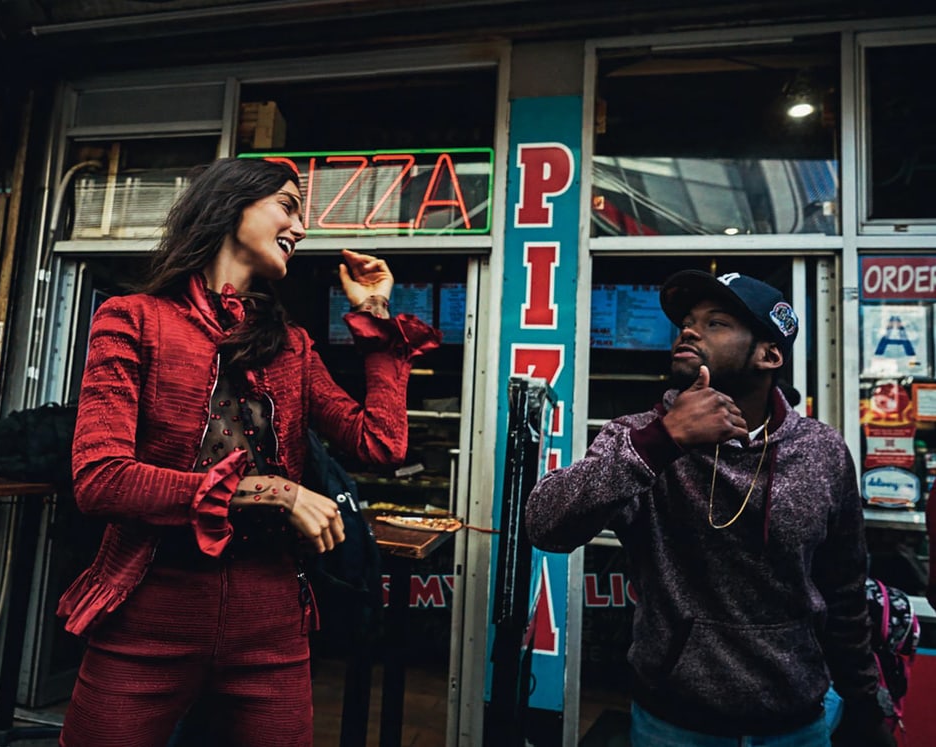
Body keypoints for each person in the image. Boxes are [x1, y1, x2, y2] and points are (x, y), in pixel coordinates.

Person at [55, 157, 439, 747]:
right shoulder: (132, 319)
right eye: (288, 206)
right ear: (230, 207)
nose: (301, 227)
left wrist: (374, 314)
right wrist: (270, 490)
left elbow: (380, 443)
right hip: (149, 612)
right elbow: (101, 479)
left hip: (271, 625)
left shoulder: (291, 348)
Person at [525, 270, 894, 747]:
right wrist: (662, 441)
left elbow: (844, 590)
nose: (689, 330)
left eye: (716, 322)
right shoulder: (638, 437)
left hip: (797, 722)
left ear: (769, 354)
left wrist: (865, 704)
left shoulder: (821, 451)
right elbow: (543, 524)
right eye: (687, 321)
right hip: (674, 722)